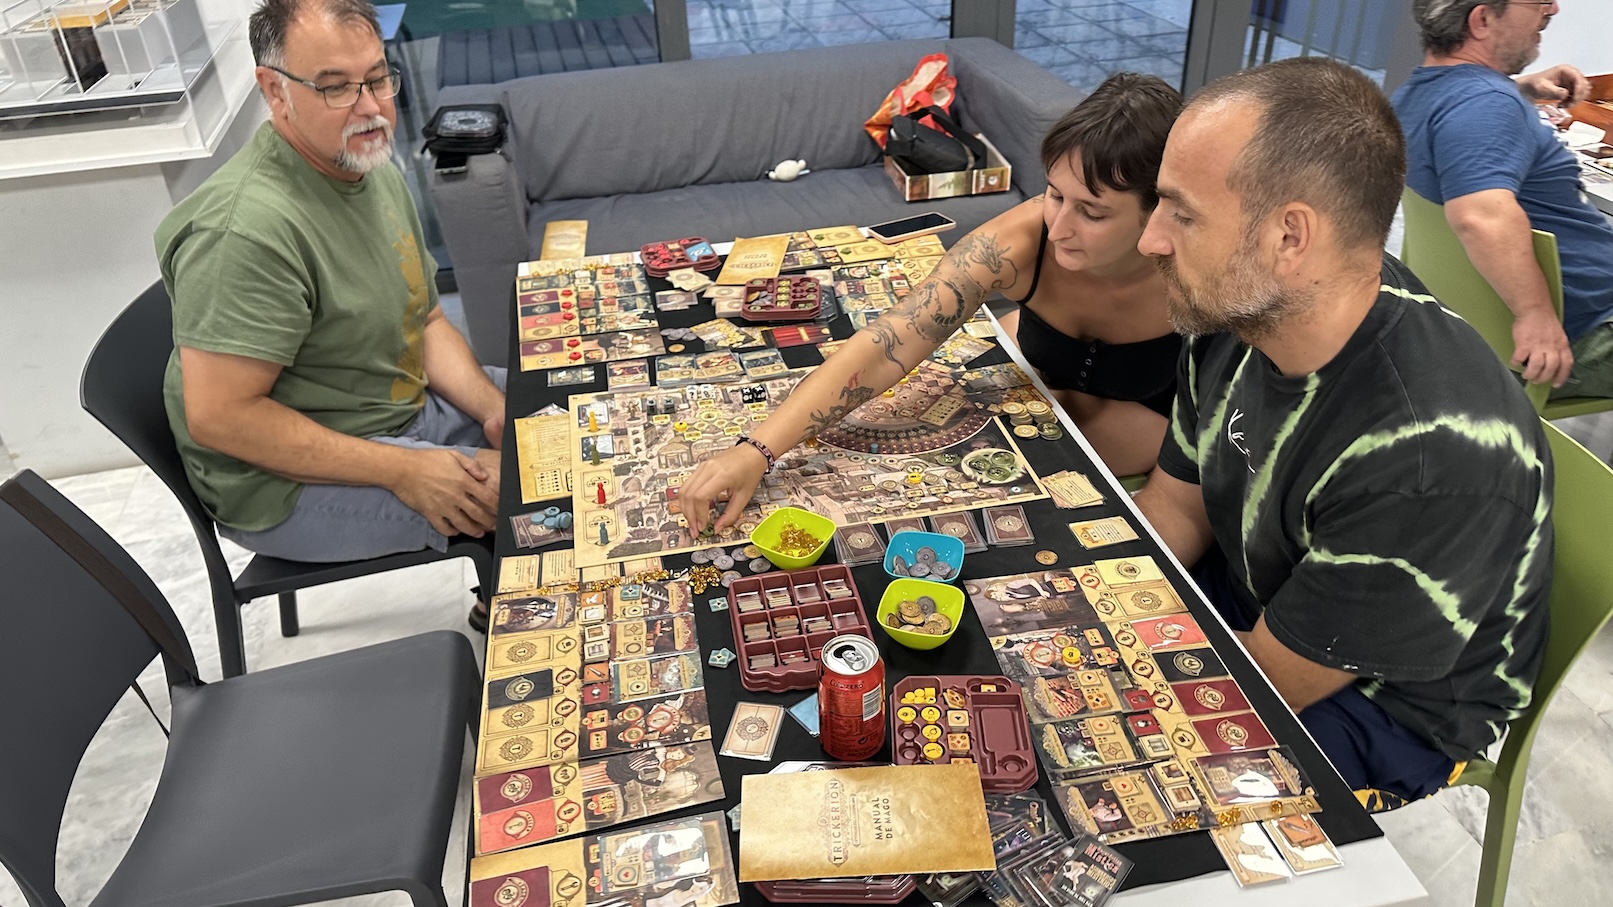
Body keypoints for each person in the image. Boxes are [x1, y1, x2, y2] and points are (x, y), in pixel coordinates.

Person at [1135, 56, 1551, 810]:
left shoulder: (1428, 453)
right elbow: (1176, 504)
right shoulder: (1243, 303)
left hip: (1380, 705)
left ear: (1289, 236)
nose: (1150, 241)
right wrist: (1102, 605)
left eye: (1181, 214)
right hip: (1256, 597)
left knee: (1130, 797)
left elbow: (1268, 684)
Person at [681, 74, 1183, 531]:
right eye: (1054, 195)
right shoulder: (1019, 241)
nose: (1060, 227)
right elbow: (888, 343)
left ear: (1159, 212)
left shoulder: (1199, 278)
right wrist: (757, 450)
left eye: (1092, 213)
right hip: (1041, 402)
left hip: (1157, 456)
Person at [156, 0, 505, 630]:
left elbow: (425, 320)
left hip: (391, 408)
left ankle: (504, 581)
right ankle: (515, 617)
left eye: (377, 78)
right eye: (335, 87)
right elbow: (221, 417)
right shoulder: (244, 233)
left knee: (566, 413)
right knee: (539, 498)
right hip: (282, 482)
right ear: (274, 91)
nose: (371, 107)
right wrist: (405, 467)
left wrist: (492, 409)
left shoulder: (368, 166)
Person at [1393, 0, 1613, 397]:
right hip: (1584, 333)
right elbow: (1479, 217)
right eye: (1538, 1)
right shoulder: (1487, 104)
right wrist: (1537, 316)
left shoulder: (1414, 96)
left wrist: (1518, 89)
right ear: (1482, 20)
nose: (1553, 9)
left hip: (1470, 334)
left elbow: (1466, 113)